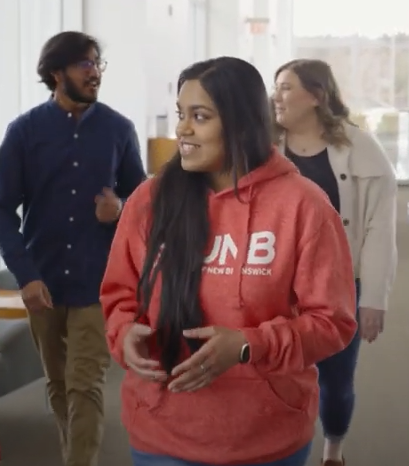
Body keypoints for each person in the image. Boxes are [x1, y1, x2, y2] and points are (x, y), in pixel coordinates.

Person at [100, 56, 358, 466]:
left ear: (241, 123)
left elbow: (333, 322)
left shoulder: (303, 206)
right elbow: (118, 295)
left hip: (267, 437)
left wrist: (247, 345)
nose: (182, 128)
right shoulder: (149, 202)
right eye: (182, 114)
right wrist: (124, 332)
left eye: (199, 116)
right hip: (161, 430)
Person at [0, 31, 147, 466]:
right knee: (57, 385)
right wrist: (26, 275)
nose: (95, 73)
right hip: (44, 280)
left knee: (85, 384)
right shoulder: (24, 132)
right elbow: (0, 206)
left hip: (100, 280)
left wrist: (123, 207)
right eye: (85, 64)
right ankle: (71, 452)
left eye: (97, 64)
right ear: (57, 73)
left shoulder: (118, 129)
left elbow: (147, 200)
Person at [271, 58, 398, 466]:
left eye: (287, 87)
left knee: (336, 379)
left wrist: (374, 297)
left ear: (316, 96)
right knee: (274, 368)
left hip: (338, 285)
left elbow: (380, 227)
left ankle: (333, 451)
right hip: (273, 281)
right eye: (277, 87)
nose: (278, 96)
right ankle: (280, 446)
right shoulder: (261, 145)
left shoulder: (361, 148)